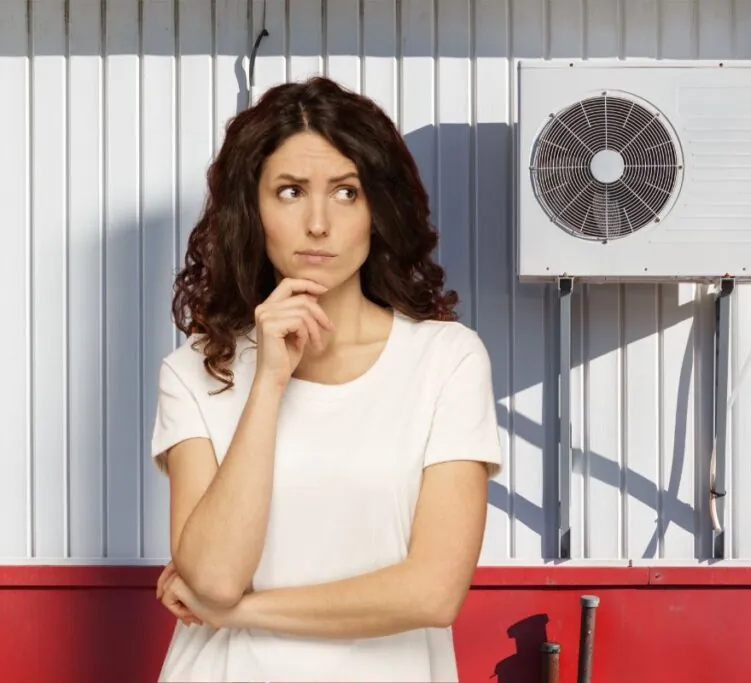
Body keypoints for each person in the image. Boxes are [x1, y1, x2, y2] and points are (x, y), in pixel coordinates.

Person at [148, 76, 503, 683]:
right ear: (253, 211)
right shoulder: (194, 371)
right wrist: (267, 386)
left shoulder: (448, 360)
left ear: (378, 210)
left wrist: (242, 613)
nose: (318, 223)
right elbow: (212, 578)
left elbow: (433, 593)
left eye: (346, 192)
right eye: (289, 191)